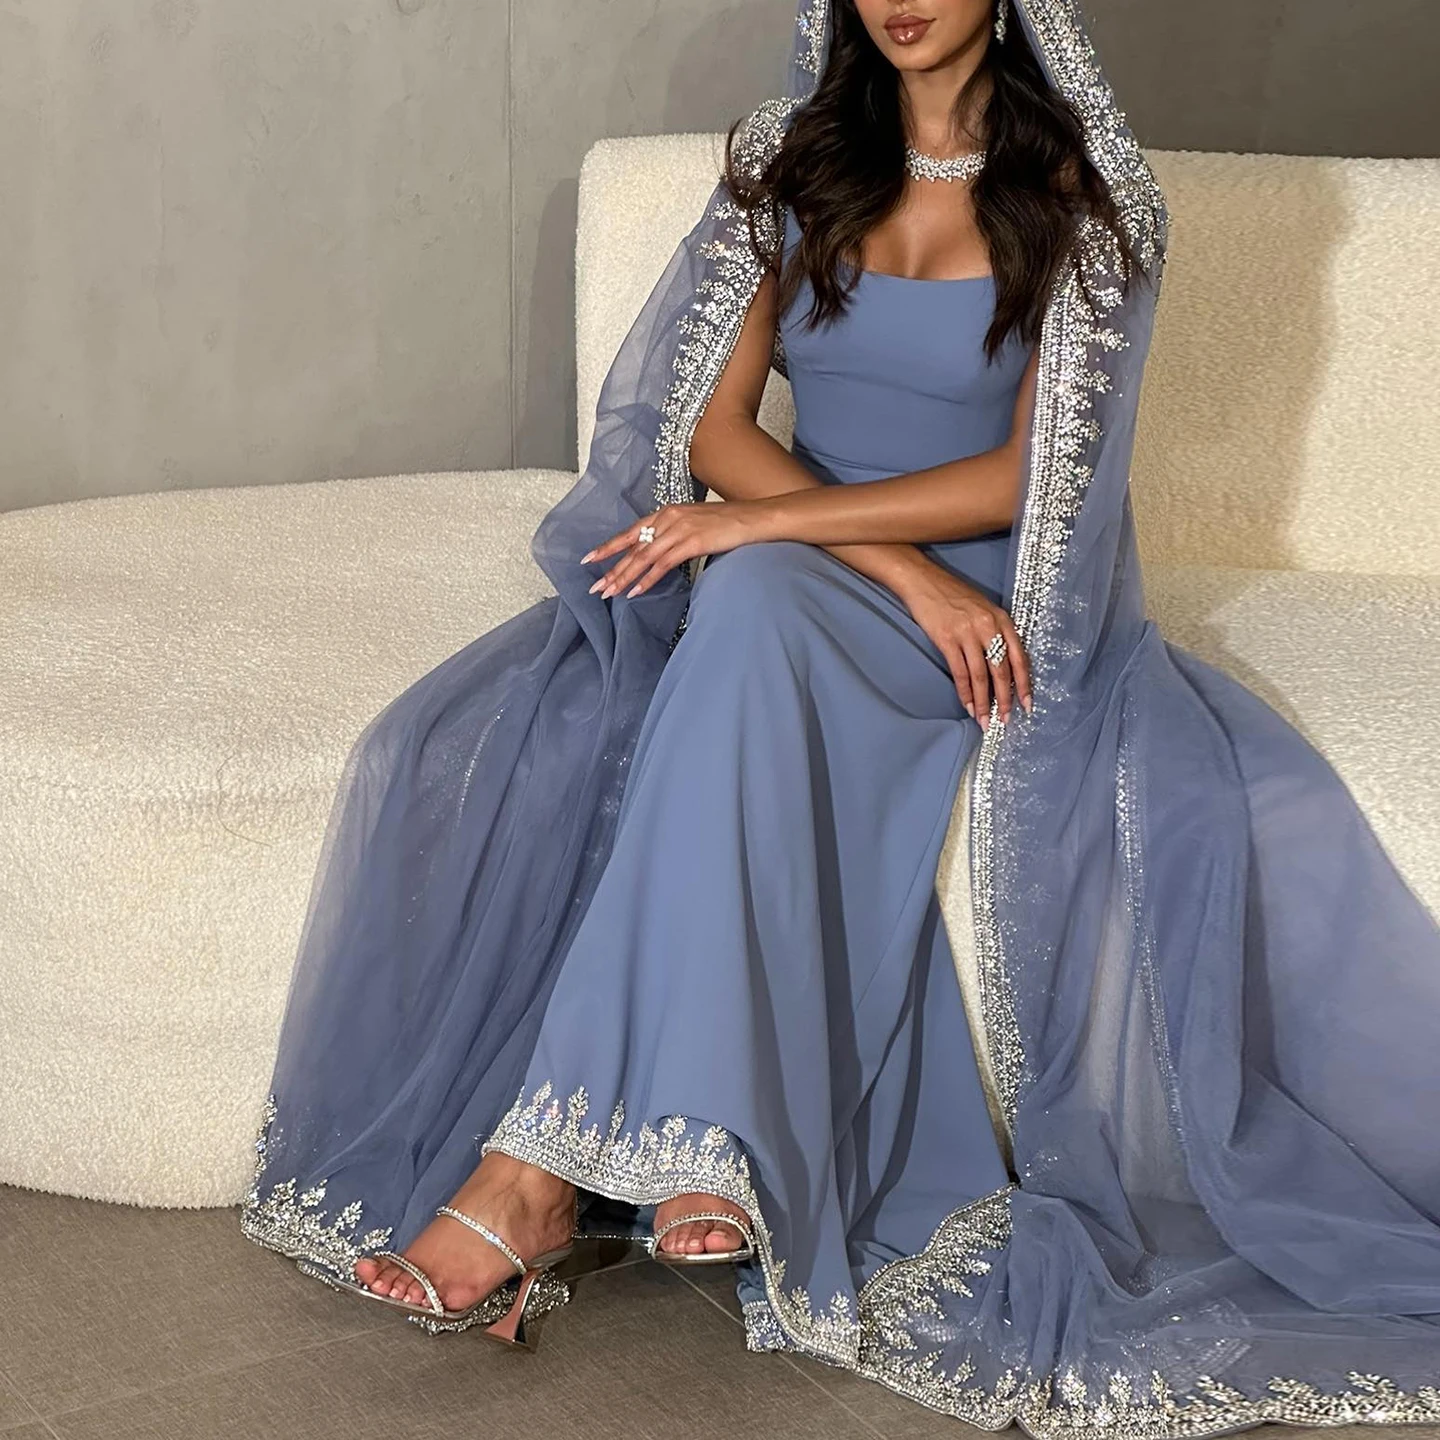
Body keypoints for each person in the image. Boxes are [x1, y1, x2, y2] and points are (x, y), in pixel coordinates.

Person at [241, 0, 1440, 1430]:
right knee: (715, 627)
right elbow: (717, 429)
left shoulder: (1088, 197)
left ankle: (541, 1180)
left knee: (749, 607)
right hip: (831, 571)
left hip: (998, 601)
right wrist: (868, 563)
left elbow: (1028, 480)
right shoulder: (789, 159)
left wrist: (829, 551)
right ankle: (637, 1156)